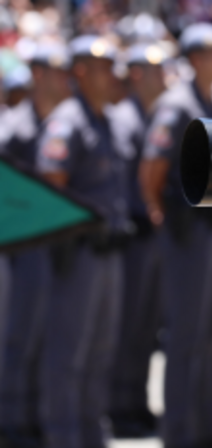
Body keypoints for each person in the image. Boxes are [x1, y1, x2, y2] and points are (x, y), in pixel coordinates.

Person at [140, 23, 212, 448]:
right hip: (189, 232)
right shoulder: (177, 104)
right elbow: (152, 167)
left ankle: (206, 427)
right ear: (196, 58)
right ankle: (179, 433)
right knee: (187, 336)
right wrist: (161, 217)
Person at [36, 35, 128, 448]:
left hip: (109, 252)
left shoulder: (104, 119)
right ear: (80, 72)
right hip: (79, 255)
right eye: (104, 66)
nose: (113, 75)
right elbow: (50, 186)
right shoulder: (67, 121)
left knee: (100, 353)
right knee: (68, 355)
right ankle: (63, 437)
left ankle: (91, 436)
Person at [0, 42, 72, 447]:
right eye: (54, 71)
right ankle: (11, 420)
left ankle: (32, 416)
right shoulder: (14, 128)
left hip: (48, 245)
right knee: (17, 335)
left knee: (44, 336)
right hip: (17, 248)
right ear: (37, 76)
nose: (61, 80)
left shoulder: (55, 123)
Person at [106, 41, 168, 438]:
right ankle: (117, 406)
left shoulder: (151, 115)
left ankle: (136, 401)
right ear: (137, 74)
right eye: (156, 70)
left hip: (149, 237)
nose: (164, 77)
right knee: (124, 327)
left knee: (145, 327)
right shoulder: (122, 117)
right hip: (126, 237)